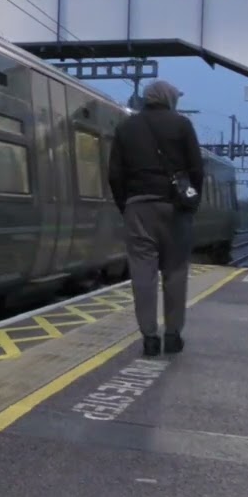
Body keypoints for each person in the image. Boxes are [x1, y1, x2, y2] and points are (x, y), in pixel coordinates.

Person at [107, 80, 203, 357]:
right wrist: (191, 203)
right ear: (169, 98)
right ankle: (173, 335)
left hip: (138, 207)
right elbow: (197, 169)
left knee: (143, 274)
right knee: (175, 272)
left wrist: (126, 205)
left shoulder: (126, 127)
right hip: (175, 208)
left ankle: (149, 337)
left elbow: (114, 174)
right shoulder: (182, 124)